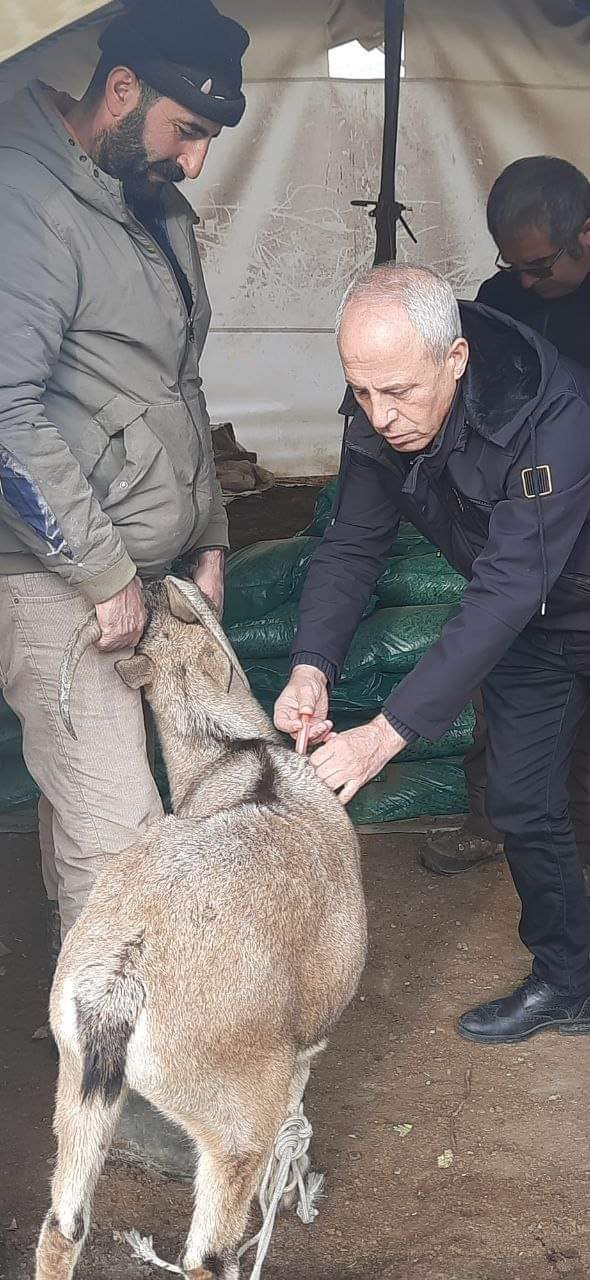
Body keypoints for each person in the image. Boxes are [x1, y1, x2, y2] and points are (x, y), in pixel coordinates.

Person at [0, 0, 248, 1171]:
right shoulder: (29, 198)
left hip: (141, 562)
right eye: (184, 129)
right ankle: (128, 1090)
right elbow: (4, 416)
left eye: (207, 139)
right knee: (126, 845)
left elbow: (174, 383)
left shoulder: (146, 203)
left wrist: (203, 526)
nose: (194, 159)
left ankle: (89, 1050)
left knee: (90, 828)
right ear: (117, 91)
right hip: (51, 576)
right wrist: (103, 570)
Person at [275, 263, 590, 1045]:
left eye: (399, 393)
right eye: (361, 392)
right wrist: (313, 663)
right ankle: (569, 981)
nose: (380, 417)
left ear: (455, 359)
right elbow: (352, 542)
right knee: (520, 802)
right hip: (531, 628)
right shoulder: (385, 402)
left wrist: (386, 734)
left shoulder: (554, 409)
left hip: (535, 594)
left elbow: (507, 588)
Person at [422, 156, 590, 877]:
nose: (523, 280)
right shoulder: (498, 301)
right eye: (511, 265)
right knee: (501, 671)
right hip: (516, 529)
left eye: (540, 265)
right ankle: (488, 817)